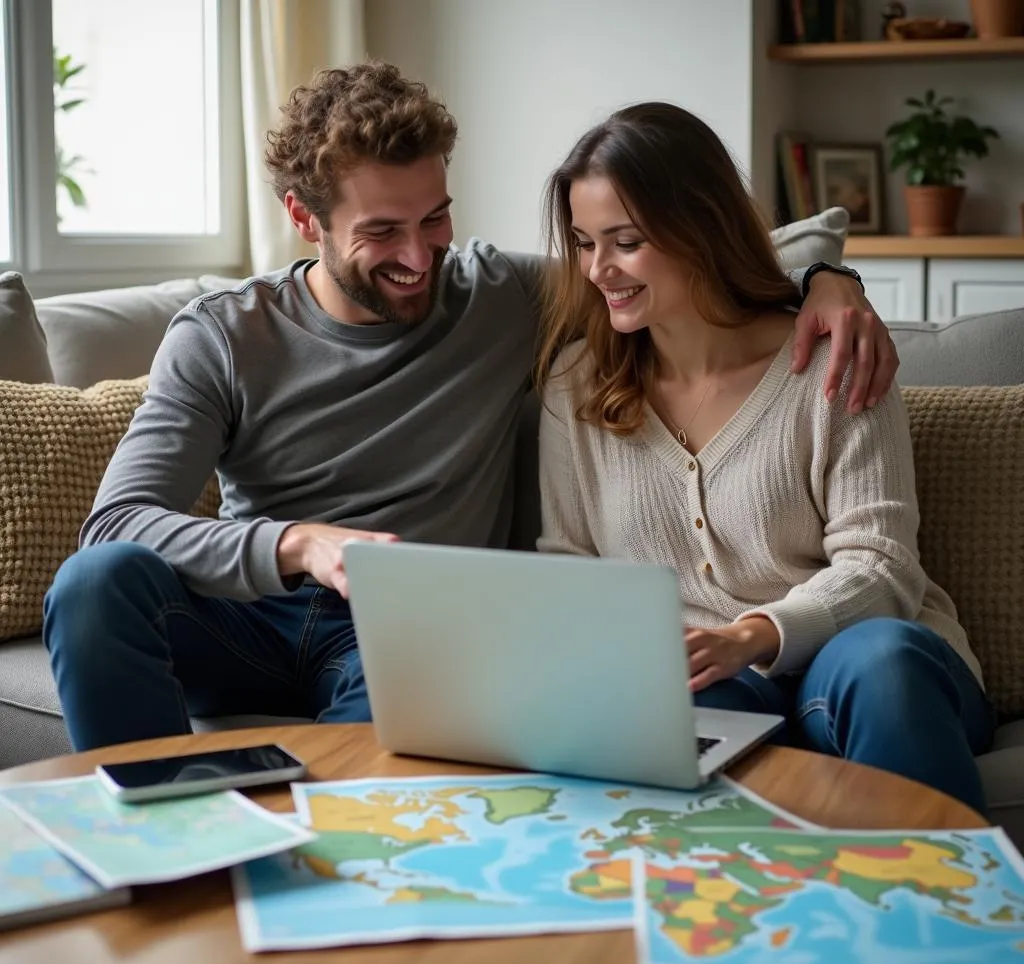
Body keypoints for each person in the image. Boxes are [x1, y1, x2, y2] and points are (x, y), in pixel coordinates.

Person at [44, 62, 898, 754]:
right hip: (249, 616)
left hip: (407, 634)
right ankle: (151, 836)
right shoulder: (224, 337)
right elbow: (117, 524)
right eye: (382, 232)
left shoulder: (500, 295)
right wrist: (299, 544)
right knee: (96, 586)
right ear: (304, 216)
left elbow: (678, 264)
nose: (420, 258)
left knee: (367, 815)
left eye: (437, 218)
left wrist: (832, 281)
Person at [534, 101, 994, 814]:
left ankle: (948, 916)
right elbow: (569, 567)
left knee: (882, 664)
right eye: (583, 242)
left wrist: (752, 634)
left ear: (700, 229)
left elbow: (883, 568)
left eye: (624, 241)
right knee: (683, 702)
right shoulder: (577, 385)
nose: (598, 270)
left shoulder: (835, 358)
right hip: (706, 684)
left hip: (870, 672)